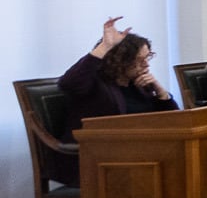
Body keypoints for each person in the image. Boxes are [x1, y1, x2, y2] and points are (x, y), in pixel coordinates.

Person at [56, 17, 179, 180]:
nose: (146, 65)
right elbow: (67, 84)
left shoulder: (139, 85)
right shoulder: (94, 84)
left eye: (147, 58)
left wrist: (162, 93)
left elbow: (173, 122)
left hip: (135, 154)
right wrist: (105, 47)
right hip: (97, 159)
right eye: (139, 60)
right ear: (121, 60)